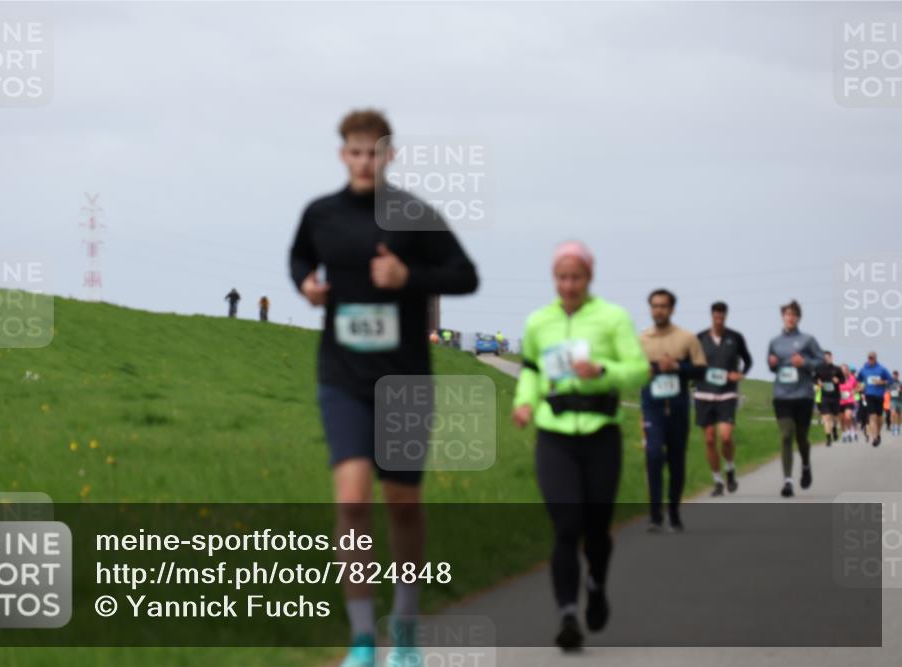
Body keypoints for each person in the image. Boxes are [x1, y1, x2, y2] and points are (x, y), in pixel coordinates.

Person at [288, 109, 478, 667]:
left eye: (374, 152)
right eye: (355, 151)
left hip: (403, 380)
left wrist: (409, 278)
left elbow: (465, 275)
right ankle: (364, 638)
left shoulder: (415, 215)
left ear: (389, 155)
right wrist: (306, 284)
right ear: (342, 154)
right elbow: (299, 254)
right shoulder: (320, 214)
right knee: (350, 500)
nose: (364, 161)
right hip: (341, 375)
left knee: (401, 502)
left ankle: (408, 626)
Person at [512, 240, 649, 651]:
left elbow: (638, 371)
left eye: (576, 278)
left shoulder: (612, 319)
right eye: (562, 278)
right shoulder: (539, 322)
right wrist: (524, 402)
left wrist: (602, 370)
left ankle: (597, 583)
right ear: (554, 279)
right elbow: (532, 370)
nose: (568, 285)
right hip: (554, 435)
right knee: (566, 526)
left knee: (596, 529)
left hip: (600, 434)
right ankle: (568, 613)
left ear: (589, 278)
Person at [639, 289, 707, 532]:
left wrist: (677, 367)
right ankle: (655, 514)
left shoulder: (687, 338)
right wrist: (649, 370)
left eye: (663, 306)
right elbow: (632, 370)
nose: (659, 310)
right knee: (654, 455)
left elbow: (701, 371)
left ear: (672, 309)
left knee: (677, 460)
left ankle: (674, 511)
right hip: (652, 407)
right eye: (654, 306)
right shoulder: (642, 340)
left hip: (678, 407)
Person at [693, 301, 752, 496]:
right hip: (703, 394)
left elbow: (748, 360)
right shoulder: (699, 338)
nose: (719, 319)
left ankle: (730, 468)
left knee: (726, 437)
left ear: (725, 316)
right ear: (711, 316)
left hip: (726, 394)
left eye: (722, 316)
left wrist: (740, 373)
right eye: (716, 316)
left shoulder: (735, 337)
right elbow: (689, 361)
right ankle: (717, 481)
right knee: (709, 440)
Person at [767, 299, 824, 498]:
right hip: (782, 395)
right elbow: (772, 365)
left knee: (801, 437)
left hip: (803, 395)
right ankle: (788, 481)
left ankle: (806, 465)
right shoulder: (775, 342)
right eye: (787, 314)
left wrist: (805, 362)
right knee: (785, 435)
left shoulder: (808, 340)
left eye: (793, 315)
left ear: (798, 317)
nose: (790, 318)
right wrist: (773, 363)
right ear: (783, 317)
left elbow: (820, 362)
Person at [855, 352, 893, 447]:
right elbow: (858, 380)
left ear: (875, 359)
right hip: (869, 395)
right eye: (869, 358)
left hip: (879, 396)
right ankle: (875, 438)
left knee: (879, 418)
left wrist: (882, 382)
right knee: (872, 417)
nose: (870, 360)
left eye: (872, 358)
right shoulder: (864, 370)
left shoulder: (881, 369)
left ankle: (877, 433)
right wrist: (860, 387)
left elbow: (891, 380)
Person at [814, 351, 846, 446]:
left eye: (828, 357)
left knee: (835, 417)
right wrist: (818, 382)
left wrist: (838, 380)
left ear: (831, 358)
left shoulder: (836, 369)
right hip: (824, 397)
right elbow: (814, 378)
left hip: (835, 397)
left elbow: (843, 380)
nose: (826, 359)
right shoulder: (819, 369)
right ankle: (828, 438)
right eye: (824, 358)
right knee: (826, 417)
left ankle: (835, 429)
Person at [839, 365, 858, 442]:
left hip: (849, 400)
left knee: (848, 417)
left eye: (845, 370)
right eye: (841, 370)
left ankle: (851, 430)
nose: (843, 371)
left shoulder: (852, 378)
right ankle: (844, 433)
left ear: (847, 370)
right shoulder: (838, 379)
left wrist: (854, 391)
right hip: (839, 401)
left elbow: (858, 387)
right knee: (841, 419)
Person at [890, 370, 901, 436]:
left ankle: (898, 428)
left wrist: (900, 390)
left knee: (899, 415)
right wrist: (891, 391)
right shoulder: (890, 383)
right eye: (894, 375)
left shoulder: (900, 383)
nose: (895, 376)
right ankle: (893, 428)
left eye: (896, 375)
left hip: (899, 400)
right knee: (893, 414)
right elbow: (887, 389)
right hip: (893, 400)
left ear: (898, 376)